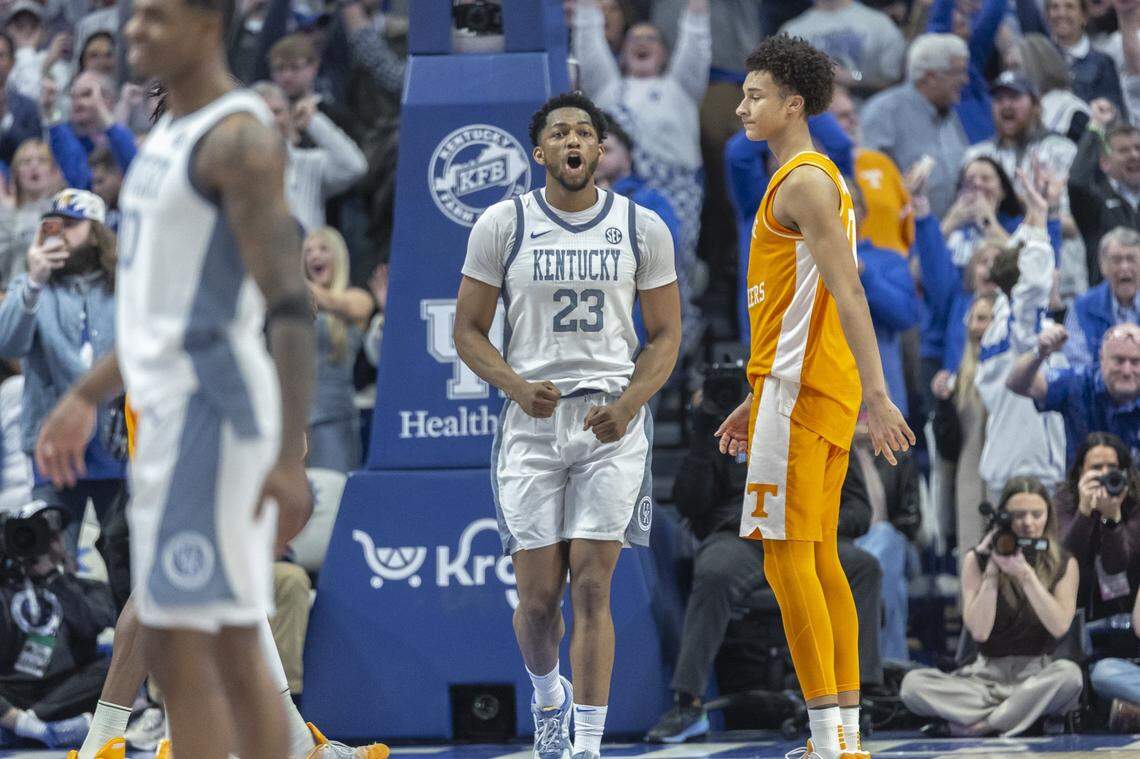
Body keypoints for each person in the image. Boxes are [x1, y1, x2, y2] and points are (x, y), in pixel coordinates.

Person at [34, 0, 318, 752]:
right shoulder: (157, 149)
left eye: (154, 17)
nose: (132, 33)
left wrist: (289, 456)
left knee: (209, 636)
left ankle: (113, 736)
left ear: (206, 24)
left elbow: (292, 306)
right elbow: (157, 314)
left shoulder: (240, 140)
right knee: (190, 647)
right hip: (162, 413)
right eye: (132, 18)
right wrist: (83, 396)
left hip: (219, 413)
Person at [454, 91, 681, 759]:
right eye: (561, 132)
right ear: (540, 150)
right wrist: (516, 386)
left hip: (609, 416)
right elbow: (467, 329)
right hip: (533, 420)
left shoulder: (642, 226)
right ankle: (547, 693)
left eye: (586, 130)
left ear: (600, 150)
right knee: (537, 601)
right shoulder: (504, 223)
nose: (574, 140)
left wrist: (633, 399)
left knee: (591, 584)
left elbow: (666, 335)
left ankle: (585, 745)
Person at [716, 35, 914, 759]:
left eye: (756, 95)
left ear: (793, 104)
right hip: (795, 388)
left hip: (804, 394)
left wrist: (881, 395)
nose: (742, 106)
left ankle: (829, 740)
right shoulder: (809, 178)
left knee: (784, 557)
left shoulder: (803, 180)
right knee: (818, 553)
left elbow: (850, 291)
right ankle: (843, 737)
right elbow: (796, 309)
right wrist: (755, 389)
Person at [645, 374, 885, 744]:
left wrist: (815, 521)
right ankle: (688, 702)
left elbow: (858, 509)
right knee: (714, 571)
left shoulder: (816, 417)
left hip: (806, 534)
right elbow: (690, 502)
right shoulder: (731, 423)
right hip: (742, 537)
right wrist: (705, 425)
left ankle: (858, 699)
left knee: (864, 568)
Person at [899, 477, 1083, 737]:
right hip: (984, 679)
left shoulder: (1064, 562)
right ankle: (1023, 717)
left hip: (1037, 676)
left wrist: (1025, 575)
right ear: (1003, 519)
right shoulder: (977, 560)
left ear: (1048, 517)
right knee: (912, 685)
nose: (1028, 523)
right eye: (1018, 515)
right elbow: (980, 633)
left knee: (1070, 676)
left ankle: (981, 726)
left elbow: (1059, 625)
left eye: (1036, 514)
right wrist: (993, 570)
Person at [0, 189, 124, 563]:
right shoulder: (34, 284)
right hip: (51, 447)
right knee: (49, 563)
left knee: (125, 562)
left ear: (98, 230)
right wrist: (33, 281)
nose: (61, 233)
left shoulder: (124, 286)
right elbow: (7, 345)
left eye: (71, 225)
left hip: (115, 446)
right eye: (53, 226)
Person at [0, 502, 115, 749]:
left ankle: (25, 727)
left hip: (65, 690)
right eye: (27, 534)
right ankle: (37, 728)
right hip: (11, 689)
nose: (38, 543)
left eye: (49, 535)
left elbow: (90, 625)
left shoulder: (83, 588)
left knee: (116, 664)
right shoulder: (4, 589)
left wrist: (57, 578)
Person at [860, 33, 970, 218]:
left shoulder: (949, 113)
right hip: (904, 232)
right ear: (930, 77)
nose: (965, 80)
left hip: (950, 231)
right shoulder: (884, 112)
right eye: (957, 72)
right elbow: (867, 178)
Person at [1007, 322, 1140, 466]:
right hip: (1080, 485)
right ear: (1102, 358)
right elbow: (1017, 384)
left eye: (1135, 362)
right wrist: (1039, 353)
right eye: (1119, 361)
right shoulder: (1078, 383)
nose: (1127, 371)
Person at [252, 81, 367, 234]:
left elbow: (355, 167)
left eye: (277, 111)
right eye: (264, 112)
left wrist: (313, 122)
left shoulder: (309, 163)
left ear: (288, 115)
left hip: (308, 256)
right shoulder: (236, 169)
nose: (272, 119)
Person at [304, 226, 373, 473]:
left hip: (333, 420)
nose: (314, 256)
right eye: (308, 251)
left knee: (332, 499)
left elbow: (334, 303)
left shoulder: (357, 297)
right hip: (291, 423)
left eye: (323, 249)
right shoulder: (293, 301)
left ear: (338, 256)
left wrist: (283, 272)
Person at [1055, 432, 1140, 625]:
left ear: (1124, 472)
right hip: (1077, 609)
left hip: (1126, 612)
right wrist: (1084, 512)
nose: (1104, 474)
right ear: (1080, 472)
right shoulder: (1064, 500)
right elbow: (1064, 561)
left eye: (1112, 467)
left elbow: (1116, 566)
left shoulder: (1136, 502)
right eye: (1096, 468)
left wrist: (1112, 519)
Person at [778, 0, 907, 98]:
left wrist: (854, 77)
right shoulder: (792, 31)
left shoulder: (880, 24)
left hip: (869, 115)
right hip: (812, 122)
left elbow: (895, 81)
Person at [1069, 123, 1140, 286]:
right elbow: (1077, 183)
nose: (1134, 155)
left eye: (1138, 148)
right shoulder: (1096, 202)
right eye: (1124, 150)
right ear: (1104, 162)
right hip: (1107, 305)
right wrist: (1094, 128)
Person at [1063, 226, 1139, 367]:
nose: (1124, 267)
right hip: (1099, 388)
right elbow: (1077, 366)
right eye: (1117, 260)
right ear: (1103, 265)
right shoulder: (1082, 307)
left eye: (1131, 259)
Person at [0, 138, 65, 288]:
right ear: (16, 173)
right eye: (26, 162)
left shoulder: (64, 213)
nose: (34, 166)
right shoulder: (5, 215)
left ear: (53, 171)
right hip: (13, 294)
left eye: (42, 161)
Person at [1046, 0, 1127, 112]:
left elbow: (1113, 112)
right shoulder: (1040, 60)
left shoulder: (1103, 63)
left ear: (1084, 16)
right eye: (1054, 7)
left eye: (1069, 7)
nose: (1061, 13)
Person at [0, 32, 43, 168]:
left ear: (12, 63)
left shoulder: (27, 106)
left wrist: (5, 118)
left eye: (0, 56)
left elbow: (32, 151)